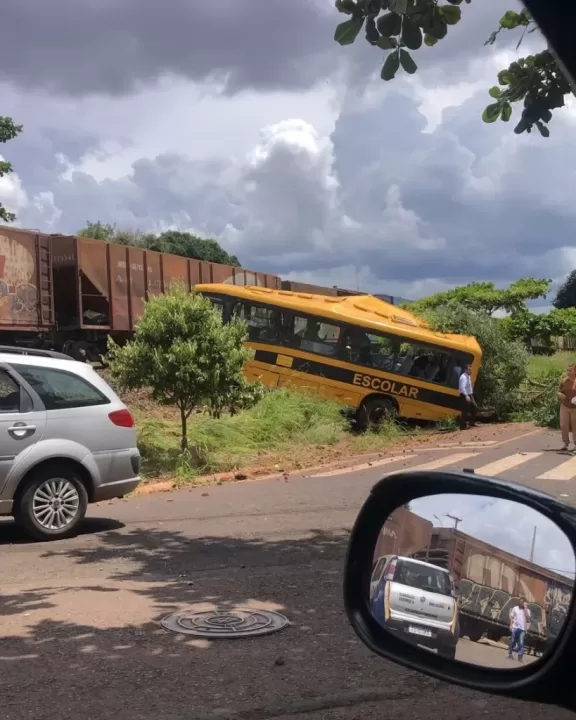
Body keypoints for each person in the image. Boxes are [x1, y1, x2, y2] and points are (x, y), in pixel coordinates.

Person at [557, 364, 576, 451]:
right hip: (564, 406)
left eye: (570, 371)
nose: (568, 372)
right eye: (567, 370)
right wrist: (560, 395)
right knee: (564, 425)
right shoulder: (564, 381)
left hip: (575, 408)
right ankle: (565, 443)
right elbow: (558, 391)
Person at [508, 598, 531, 662]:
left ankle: (520, 657)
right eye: (520, 601)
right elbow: (511, 616)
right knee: (512, 641)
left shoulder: (528, 611)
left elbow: (528, 619)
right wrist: (511, 624)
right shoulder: (515, 608)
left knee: (521, 643)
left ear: (525, 603)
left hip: (522, 629)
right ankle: (510, 654)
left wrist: (525, 608)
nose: (521, 603)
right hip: (515, 627)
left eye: (523, 602)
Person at [458, 364, 477, 430]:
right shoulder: (463, 377)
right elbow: (462, 388)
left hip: (470, 394)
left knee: (475, 408)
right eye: (469, 370)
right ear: (465, 370)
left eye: (471, 370)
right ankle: (462, 426)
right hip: (465, 395)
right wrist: (466, 396)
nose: (470, 371)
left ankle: (471, 423)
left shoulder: (468, 376)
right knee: (464, 411)